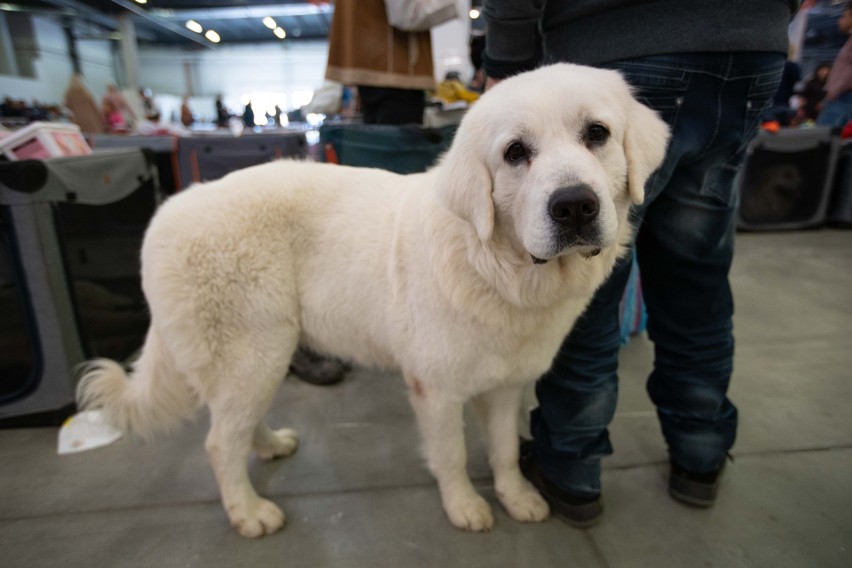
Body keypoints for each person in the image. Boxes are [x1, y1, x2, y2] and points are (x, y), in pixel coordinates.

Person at [484, 0, 799, 526]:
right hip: (750, 52)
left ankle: (570, 466)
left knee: (585, 291)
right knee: (696, 279)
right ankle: (700, 453)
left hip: (622, 52)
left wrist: (505, 65)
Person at [325, 0, 435, 124]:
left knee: (379, 138)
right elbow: (406, 15)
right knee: (396, 139)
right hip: (395, 67)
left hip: (373, 67)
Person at [817, 3, 852, 127]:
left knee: (822, 138)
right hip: (842, 96)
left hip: (843, 97)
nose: (839, 21)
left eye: (843, 17)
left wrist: (833, 92)